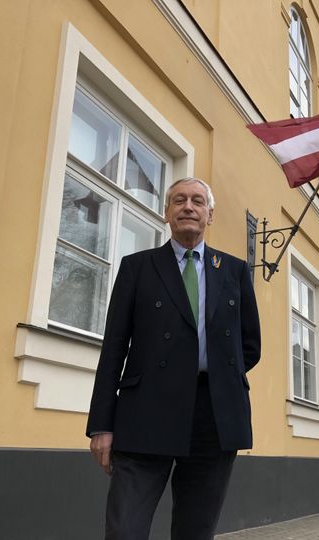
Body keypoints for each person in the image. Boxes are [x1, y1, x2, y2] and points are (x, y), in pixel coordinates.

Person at [86, 177, 261, 540]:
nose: (188, 207)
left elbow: (249, 346)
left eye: (198, 201)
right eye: (179, 200)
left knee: (196, 531)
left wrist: (217, 377)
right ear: (167, 213)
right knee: (125, 529)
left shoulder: (233, 271)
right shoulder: (138, 267)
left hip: (213, 418)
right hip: (144, 410)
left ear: (210, 214)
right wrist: (102, 424)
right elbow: (114, 347)